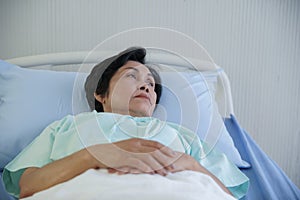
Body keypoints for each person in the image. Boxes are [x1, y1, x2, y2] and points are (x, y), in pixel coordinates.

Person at [3, 47, 249, 199]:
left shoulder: (181, 135)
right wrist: (94, 155)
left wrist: (189, 163)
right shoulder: (68, 126)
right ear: (101, 95)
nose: (145, 86)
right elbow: (28, 186)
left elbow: (225, 194)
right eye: (132, 76)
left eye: (151, 84)